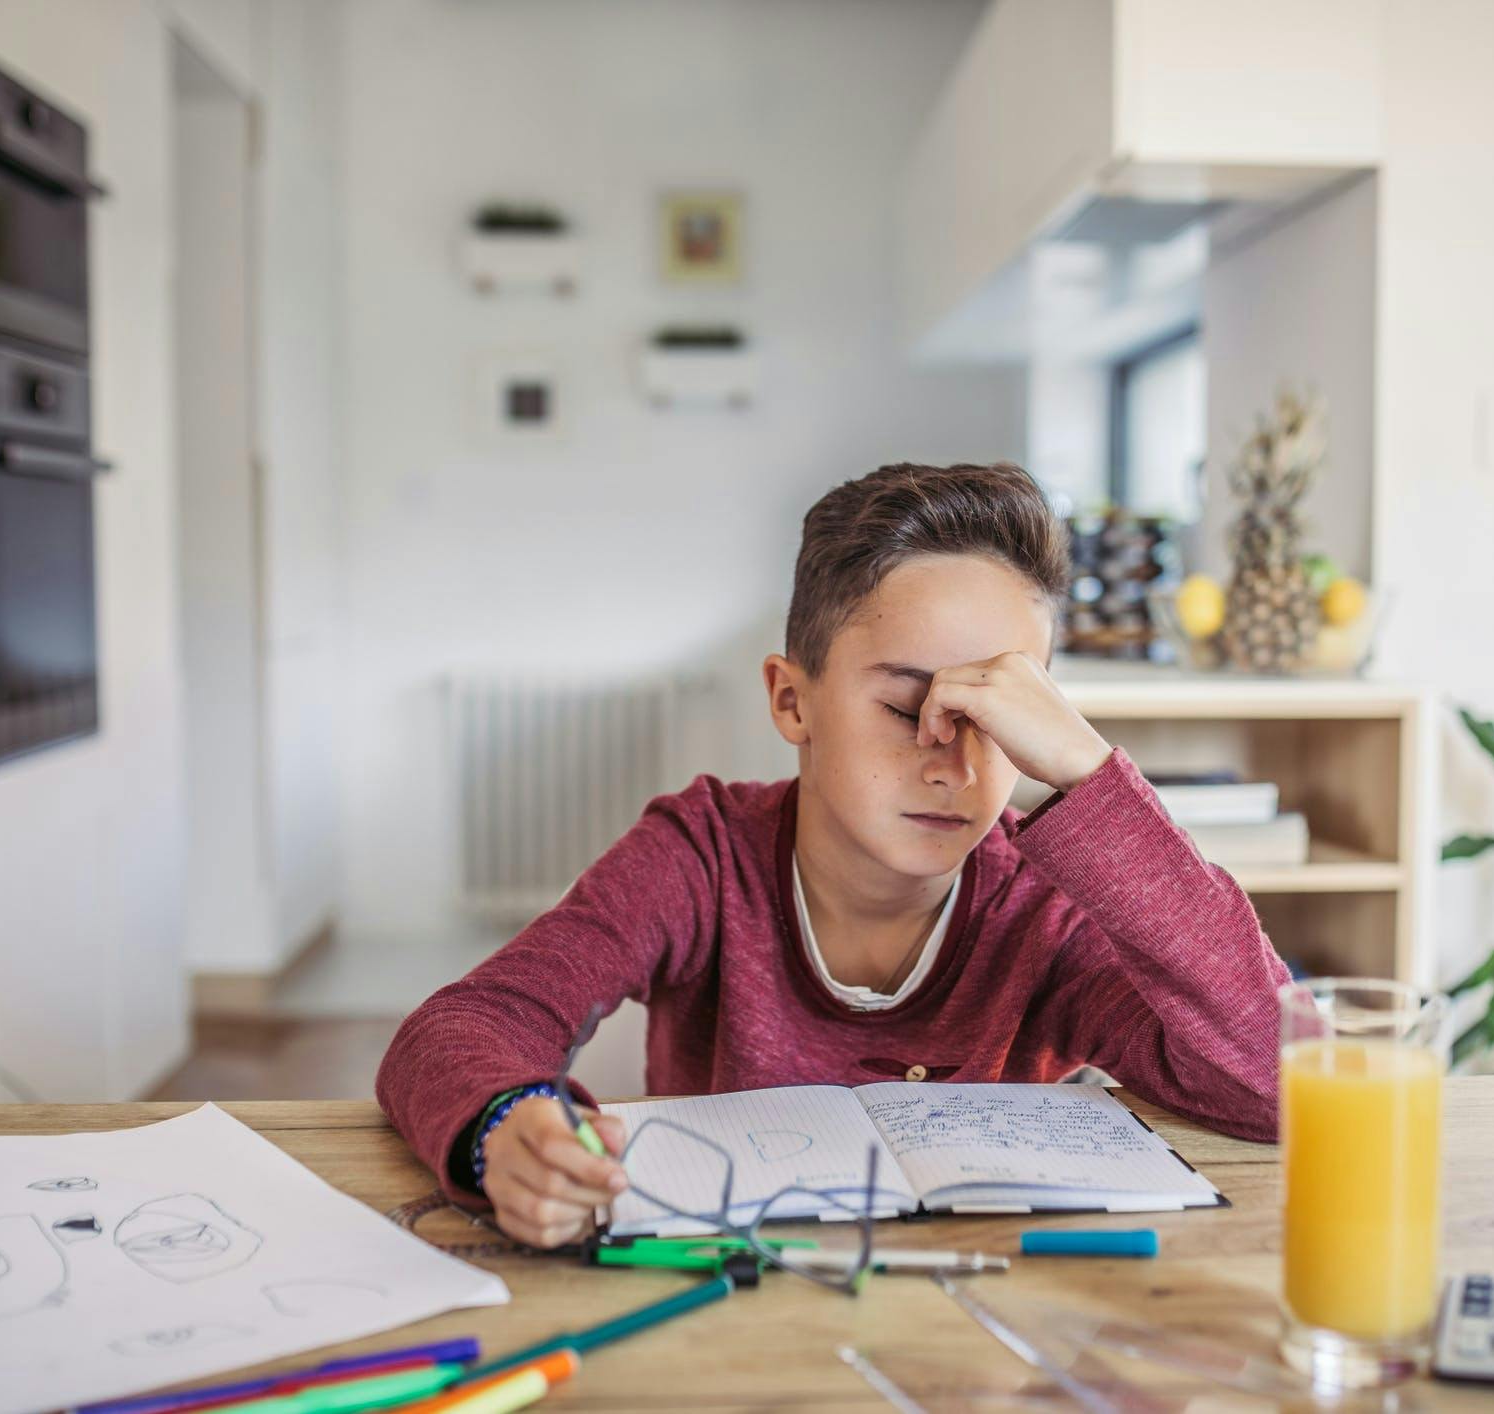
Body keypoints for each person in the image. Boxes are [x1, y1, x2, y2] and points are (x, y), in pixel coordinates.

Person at [377, 462, 1291, 1249]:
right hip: (738, 1309)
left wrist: (1092, 778)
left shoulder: (1045, 904)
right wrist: (504, 1127)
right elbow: (465, 1025)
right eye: (907, 710)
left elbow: (1286, 1085)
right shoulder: (700, 858)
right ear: (791, 702)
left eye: (1002, 720)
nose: (956, 766)